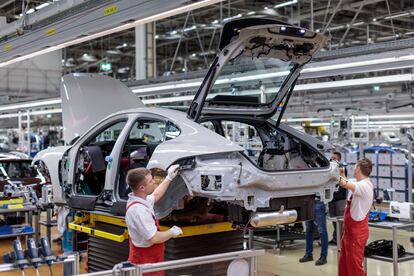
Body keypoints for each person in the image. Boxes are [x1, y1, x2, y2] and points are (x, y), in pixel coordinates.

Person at [125, 165, 183, 275]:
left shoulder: (141, 199)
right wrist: (171, 232)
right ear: (142, 188)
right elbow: (154, 238)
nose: (155, 183)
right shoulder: (138, 210)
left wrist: (169, 178)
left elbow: (155, 196)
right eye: (151, 181)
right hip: (144, 261)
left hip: (151, 258)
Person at [338, 158, 374, 276]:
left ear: (358, 168)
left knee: (355, 267)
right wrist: (341, 173)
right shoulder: (358, 183)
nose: (353, 168)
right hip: (349, 232)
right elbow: (346, 182)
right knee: (344, 264)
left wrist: (330, 172)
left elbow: (343, 183)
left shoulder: (365, 185)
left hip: (357, 233)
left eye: (354, 166)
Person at [299, 198, 329, 265]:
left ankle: (323, 257)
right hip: (308, 202)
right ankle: (308, 254)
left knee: (322, 230)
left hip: (319, 201)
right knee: (308, 230)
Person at [328, 152, 347, 245]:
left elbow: (340, 179)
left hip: (340, 199)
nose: (332, 159)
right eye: (331, 158)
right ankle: (336, 238)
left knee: (340, 221)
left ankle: (342, 240)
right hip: (331, 198)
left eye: (334, 158)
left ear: (339, 159)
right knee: (334, 220)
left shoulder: (342, 168)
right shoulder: (329, 168)